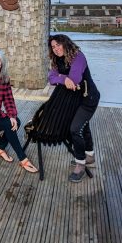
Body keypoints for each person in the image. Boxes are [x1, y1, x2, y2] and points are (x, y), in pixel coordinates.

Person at [48, 34, 100, 183]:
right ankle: (89, 156)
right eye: (53, 47)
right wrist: (63, 78)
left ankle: (80, 164)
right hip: (76, 99)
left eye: (58, 45)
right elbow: (51, 78)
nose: (56, 49)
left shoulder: (78, 57)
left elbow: (75, 79)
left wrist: (61, 77)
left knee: (75, 129)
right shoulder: (57, 59)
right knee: (84, 126)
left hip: (88, 98)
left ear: (65, 44)